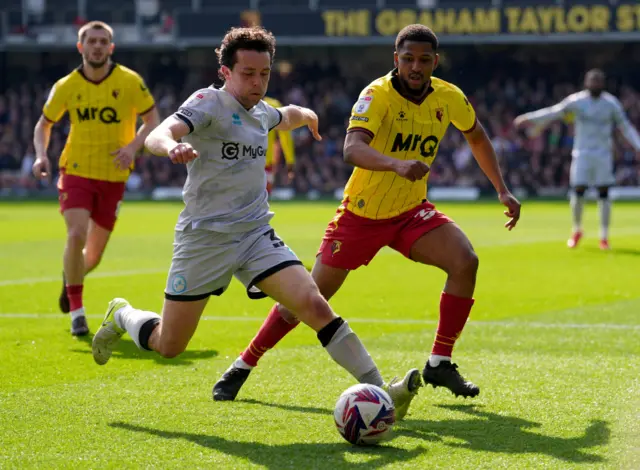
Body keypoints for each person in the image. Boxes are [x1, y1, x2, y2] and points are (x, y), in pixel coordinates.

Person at [91, 26, 421, 418]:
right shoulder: (208, 103)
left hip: (254, 235)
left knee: (313, 303)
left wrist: (308, 116)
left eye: (264, 74)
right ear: (225, 72)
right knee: (169, 344)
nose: (257, 82)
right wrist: (171, 146)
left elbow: (287, 116)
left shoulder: (262, 111)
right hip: (205, 239)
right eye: (248, 73)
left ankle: (383, 392)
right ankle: (122, 314)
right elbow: (159, 133)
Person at [213, 24, 522, 402]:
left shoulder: (449, 96)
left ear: (435, 62)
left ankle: (439, 363)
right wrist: (396, 165)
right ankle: (244, 363)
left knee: (465, 261)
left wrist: (502, 189)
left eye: (424, 60)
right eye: (407, 58)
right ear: (396, 59)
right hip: (361, 215)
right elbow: (351, 149)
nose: (415, 66)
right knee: (305, 300)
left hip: (410, 212)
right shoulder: (376, 95)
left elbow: (476, 135)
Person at [32, 21, 159, 336]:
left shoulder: (130, 81)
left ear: (111, 48)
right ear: (81, 47)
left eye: (104, 41)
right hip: (75, 170)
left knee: (94, 256)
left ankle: (70, 276)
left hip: (114, 177)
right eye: (92, 41)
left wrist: (132, 147)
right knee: (75, 234)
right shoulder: (66, 86)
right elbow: (43, 124)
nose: (98, 46)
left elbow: (152, 118)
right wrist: (40, 154)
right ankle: (78, 312)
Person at [515, 69, 640, 250]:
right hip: (581, 154)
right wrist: (529, 118)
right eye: (592, 81)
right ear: (586, 82)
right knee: (578, 192)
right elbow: (554, 112)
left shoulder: (611, 104)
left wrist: (638, 146)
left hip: (603, 155)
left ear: (603, 84)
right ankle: (577, 230)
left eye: (598, 81)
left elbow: (626, 127)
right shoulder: (577, 101)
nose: (595, 84)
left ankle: (604, 236)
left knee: (604, 193)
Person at [263, 96, 295, 195]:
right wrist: (290, 161)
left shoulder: (236, 102)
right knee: (263, 200)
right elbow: (285, 136)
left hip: (242, 162)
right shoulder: (273, 105)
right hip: (265, 163)